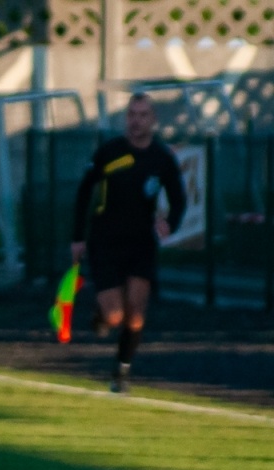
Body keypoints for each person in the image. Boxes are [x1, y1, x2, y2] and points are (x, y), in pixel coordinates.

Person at [70, 92, 186, 393]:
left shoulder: (162, 158)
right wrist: (77, 237)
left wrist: (169, 223)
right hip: (105, 242)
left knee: (136, 313)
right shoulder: (109, 152)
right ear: (126, 119)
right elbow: (84, 192)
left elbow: (179, 199)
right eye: (132, 115)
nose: (136, 121)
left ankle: (121, 372)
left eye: (143, 115)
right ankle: (101, 315)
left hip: (141, 244)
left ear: (154, 120)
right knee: (114, 316)